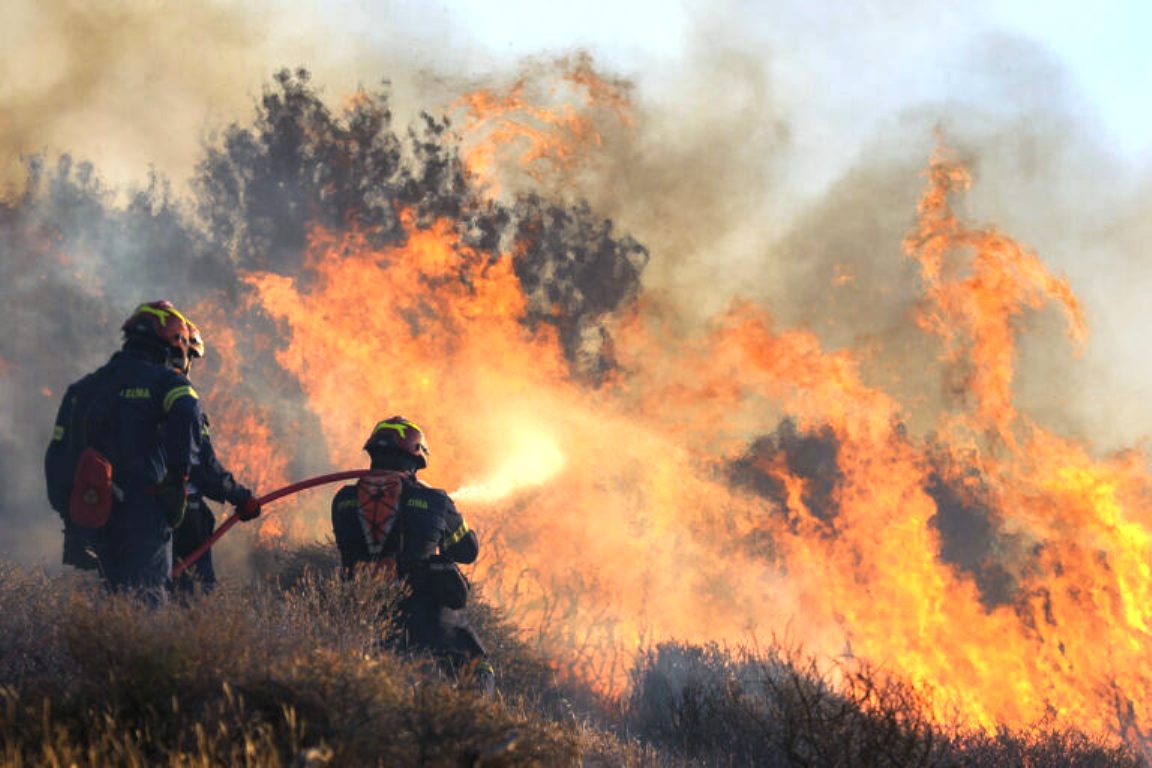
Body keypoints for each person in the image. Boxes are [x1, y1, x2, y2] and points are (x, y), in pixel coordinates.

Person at [45, 301, 201, 604]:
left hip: (88, 517)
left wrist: (71, 510)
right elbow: (188, 411)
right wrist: (176, 478)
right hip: (143, 516)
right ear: (173, 342)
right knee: (144, 607)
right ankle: (133, 651)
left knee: (95, 609)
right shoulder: (167, 382)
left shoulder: (83, 388)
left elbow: (57, 456)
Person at [331, 416, 494, 695]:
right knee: (477, 667)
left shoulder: (343, 499)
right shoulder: (435, 500)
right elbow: (468, 550)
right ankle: (475, 727)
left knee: (373, 685)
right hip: (425, 613)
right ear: (416, 459)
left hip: (361, 612)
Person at [170, 321, 260, 595]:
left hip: (128, 510)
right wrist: (241, 497)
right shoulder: (179, 398)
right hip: (181, 511)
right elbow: (201, 465)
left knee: (134, 591)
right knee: (193, 593)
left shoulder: (121, 395)